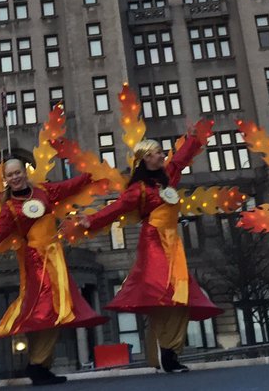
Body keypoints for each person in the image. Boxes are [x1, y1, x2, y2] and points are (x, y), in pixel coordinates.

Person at [0, 159, 106, 386]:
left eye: (18, 172)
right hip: (36, 261)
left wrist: (89, 174)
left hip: (55, 260)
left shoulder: (43, 190)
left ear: (25, 172)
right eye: (10, 174)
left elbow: (69, 186)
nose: (15, 177)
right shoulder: (10, 208)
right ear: (6, 179)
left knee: (58, 312)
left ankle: (42, 365)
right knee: (45, 311)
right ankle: (37, 364)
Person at [74, 128, 219, 373]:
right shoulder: (138, 189)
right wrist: (93, 220)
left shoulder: (168, 177)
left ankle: (166, 352)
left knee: (180, 299)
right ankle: (168, 354)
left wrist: (194, 138)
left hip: (174, 245)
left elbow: (181, 159)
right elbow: (117, 207)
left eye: (162, 152)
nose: (163, 156)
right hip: (154, 244)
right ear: (145, 159)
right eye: (157, 153)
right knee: (164, 297)